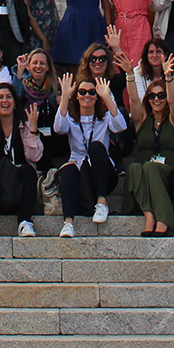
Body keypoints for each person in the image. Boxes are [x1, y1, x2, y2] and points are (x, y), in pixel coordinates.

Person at [52, 70, 126, 236]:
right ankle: (68, 222)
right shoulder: (71, 119)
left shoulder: (104, 117)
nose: (87, 95)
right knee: (69, 168)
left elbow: (121, 126)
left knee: (96, 146)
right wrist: (65, 97)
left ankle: (102, 202)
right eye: (82, 92)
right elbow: (59, 128)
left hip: (103, 174)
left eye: (92, 92)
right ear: (76, 96)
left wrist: (107, 98)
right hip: (80, 173)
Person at [123, 65, 174, 236]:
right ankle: (149, 215)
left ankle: (165, 219)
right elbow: (134, 100)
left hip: (167, 169)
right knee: (135, 167)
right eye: (152, 96)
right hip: (143, 169)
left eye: (161, 95)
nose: (156, 99)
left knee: (150, 167)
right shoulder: (143, 119)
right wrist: (130, 75)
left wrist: (169, 78)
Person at [0, 83, 42, 237]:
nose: (5, 101)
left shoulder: (24, 126)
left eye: (9, 97)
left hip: (16, 187)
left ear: (15, 103)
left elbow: (35, 157)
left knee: (28, 170)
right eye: (1, 97)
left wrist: (33, 130)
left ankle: (25, 222)